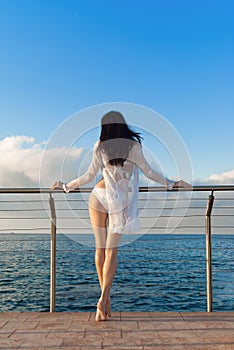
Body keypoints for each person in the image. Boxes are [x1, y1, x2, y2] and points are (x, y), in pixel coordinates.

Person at [51, 111, 190, 321]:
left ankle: (104, 302)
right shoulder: (133, 146)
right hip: (118, 203)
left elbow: (89, 176)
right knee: (111, 252)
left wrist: (65, 186)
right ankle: (103, 298)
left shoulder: (100, 146)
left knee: (100, 250)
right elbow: (149, 172)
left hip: (98, 195)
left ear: (104, 128)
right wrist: (172, 183)